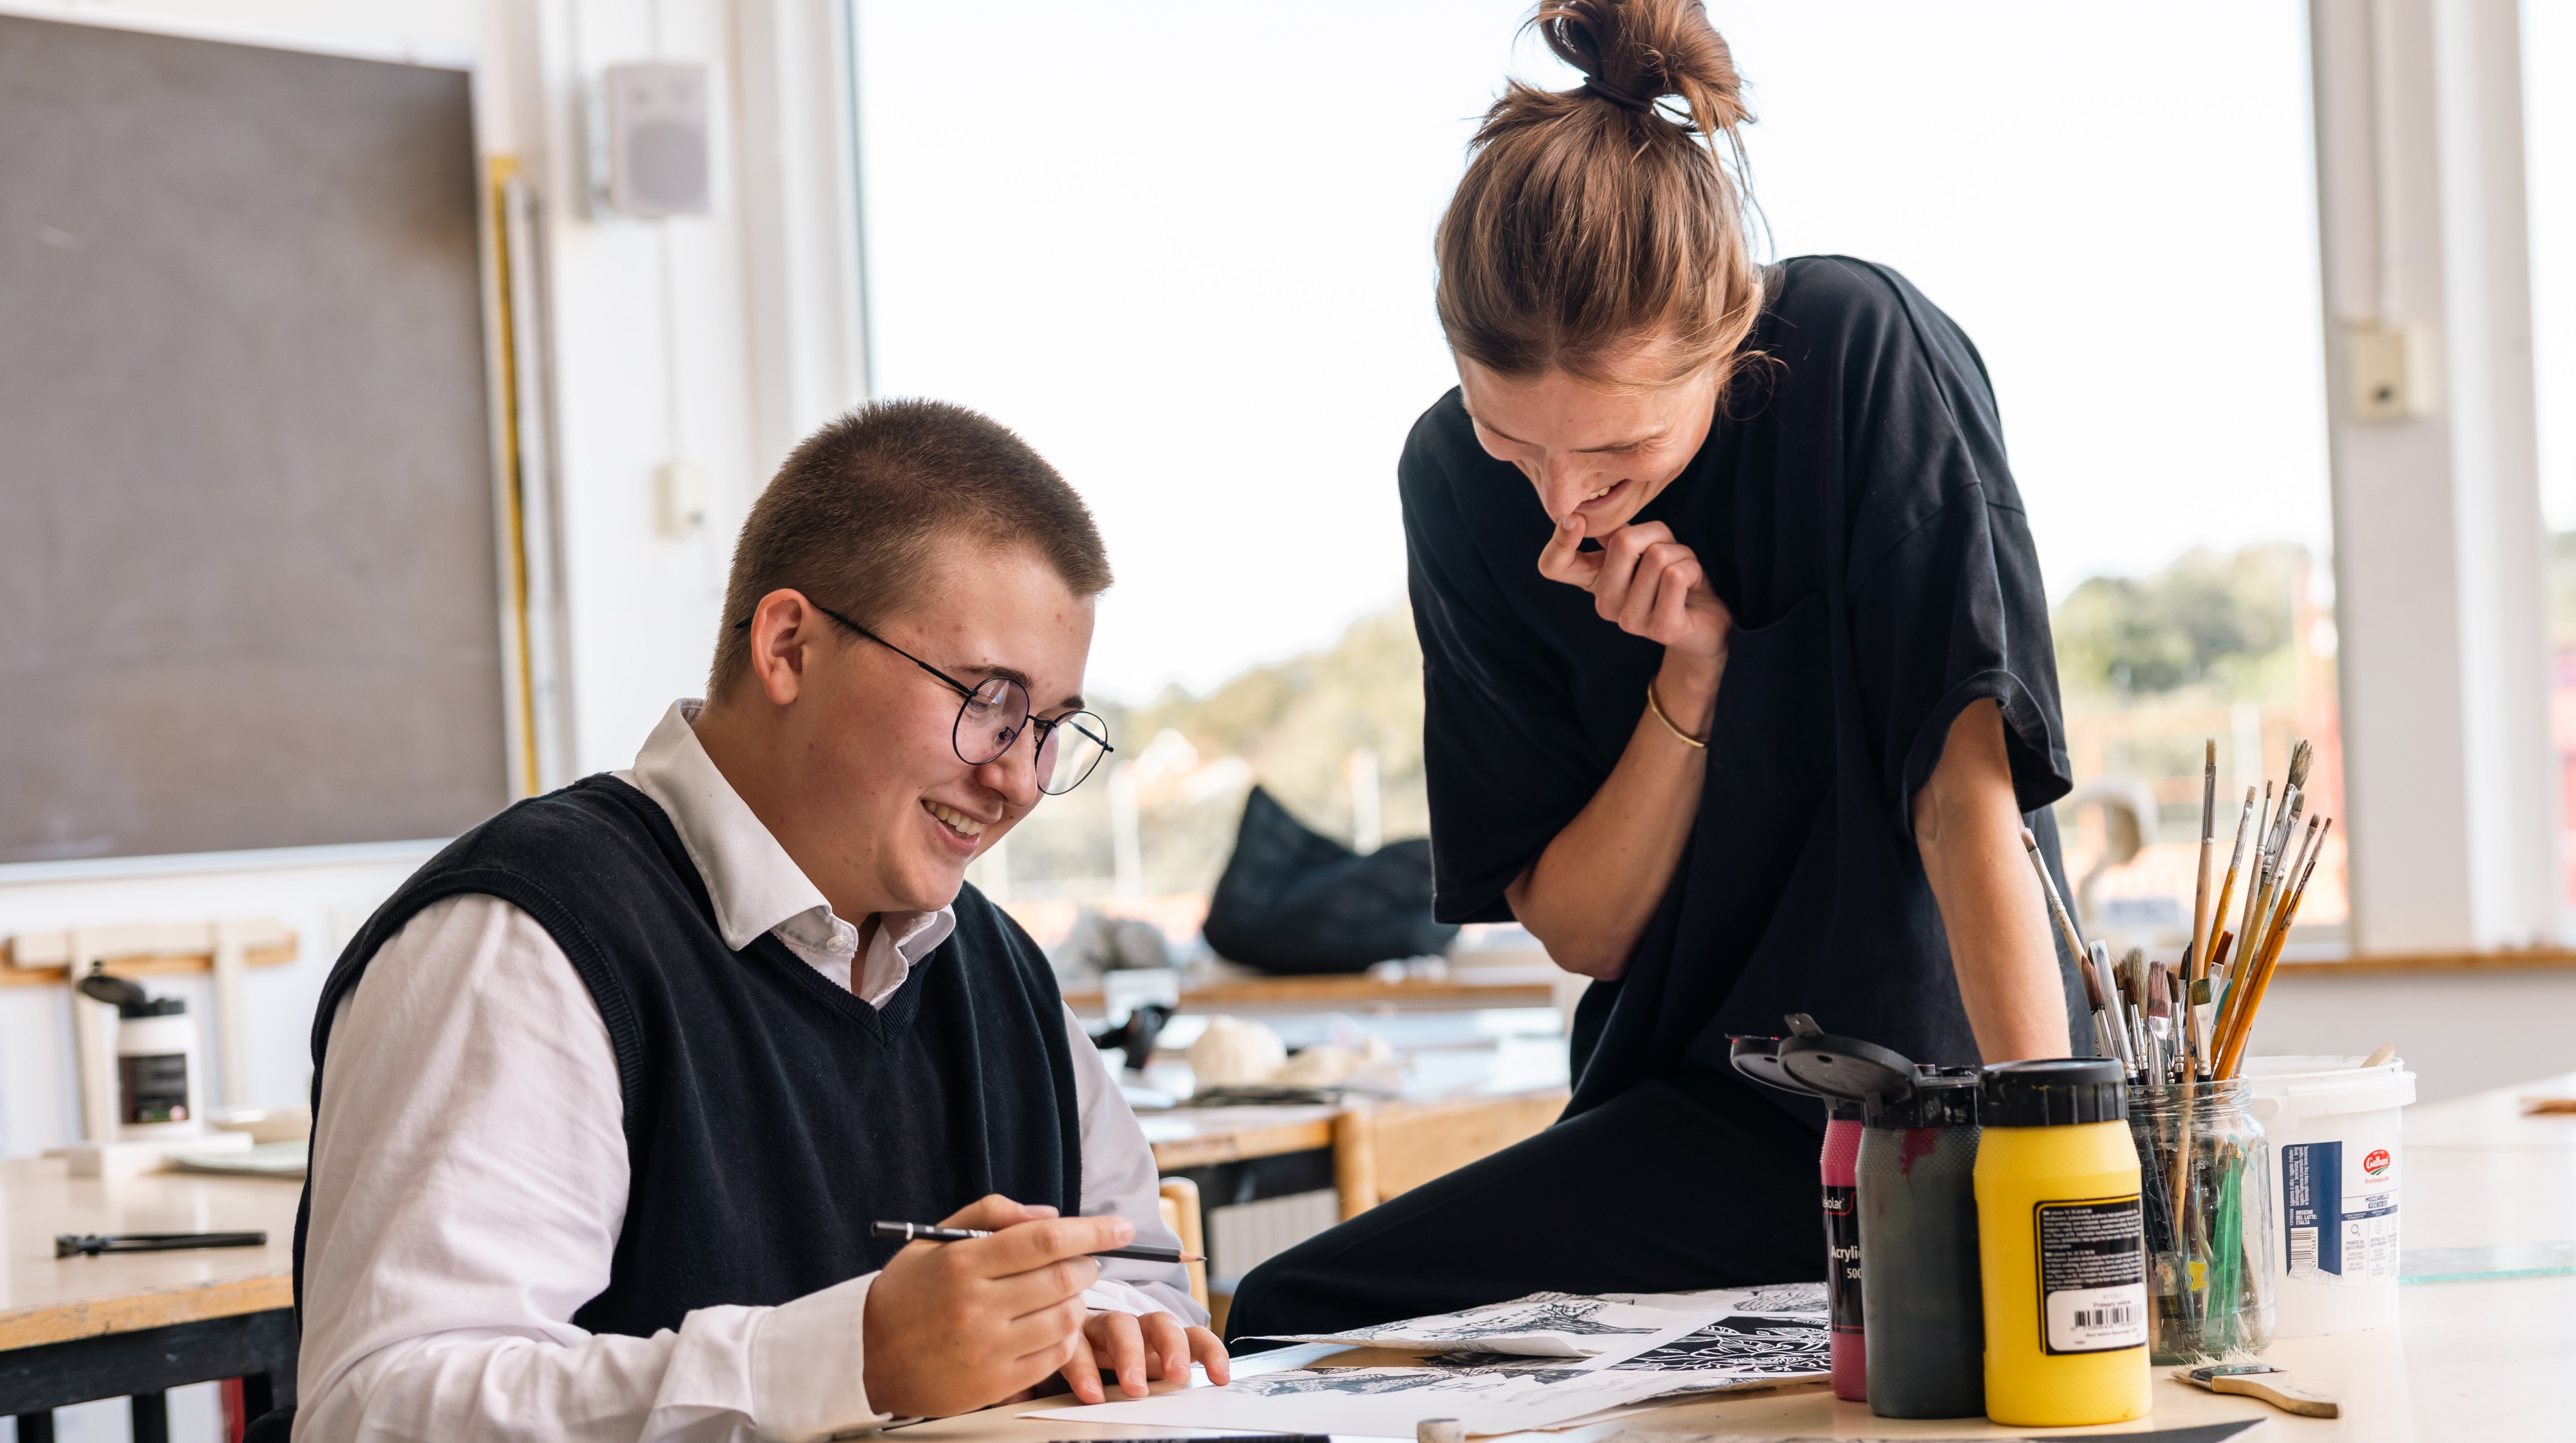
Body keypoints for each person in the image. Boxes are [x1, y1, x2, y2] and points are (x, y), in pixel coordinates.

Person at [1226, 0, 2086, 1341]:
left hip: (1943, 1088)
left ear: (1732, 334)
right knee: (1292, 1308)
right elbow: (1585, 932)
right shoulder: (1450, 484)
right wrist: (1690, 680)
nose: (1566, 501)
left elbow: (1960, 801)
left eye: (1618, 452)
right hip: (1699, 1107)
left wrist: (2056, 1184)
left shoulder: (1855, 348)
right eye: (1517, 443)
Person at [285, 400, 1229, 1442]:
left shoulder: (999, 966)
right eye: (987, 695)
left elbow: (1150, 1287)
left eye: (1049, 726)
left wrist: (1101, 1330)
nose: (1016, 776)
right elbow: (382, 1410)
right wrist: (850, 1359)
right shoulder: (528, 940)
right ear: (787, 645)